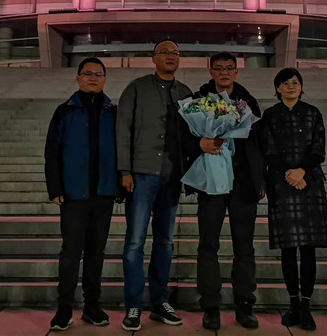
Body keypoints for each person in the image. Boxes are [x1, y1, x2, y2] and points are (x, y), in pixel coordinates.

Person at [117, 39, 219, 332]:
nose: (171, 57)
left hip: (171, 177)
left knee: (164, 242)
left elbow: (192, 135)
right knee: (135, 242)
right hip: (140, 175)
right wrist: (124, 169)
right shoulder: (136, 88)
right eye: (165, 52)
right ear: (154, 58)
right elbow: (122, 129)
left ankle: (160, 302)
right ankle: (133, 305)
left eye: (175, 53)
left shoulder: (186, 94)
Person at [44, 57, 118, 332]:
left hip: (103, 193)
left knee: (96, 253)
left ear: (105, 79)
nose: (93, 78)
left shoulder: (113, 112)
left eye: (98, 74)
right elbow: (52, 152)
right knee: (71, 252)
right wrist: (55, 188)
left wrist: (120, 185)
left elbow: (122, 149)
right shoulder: (65, 111)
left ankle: (91, 306)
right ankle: (64, 308)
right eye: (88, 73)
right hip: (74, 194)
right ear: (77, 78)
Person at [191, 52, 263, 331]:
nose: (224, 72)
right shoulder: (199, 100)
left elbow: (258, 144)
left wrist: (260, 179)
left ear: (236, 72)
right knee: (208, 244)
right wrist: (199, 143)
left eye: (229, 68)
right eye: (219, 68)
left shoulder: (249, 101)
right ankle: (210, 306)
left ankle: (244, 304)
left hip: (243, 182)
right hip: (212, 180)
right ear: (210, 71)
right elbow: (186, 135)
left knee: (244, 245)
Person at [260, 68, 327, 332]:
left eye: (295, 82)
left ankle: (305, 306)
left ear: (301, 87)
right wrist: (289, 174)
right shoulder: (270, 115)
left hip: (309, 182)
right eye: (285, 83)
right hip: (281, 183)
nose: (291, 86)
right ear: (277, 88)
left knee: (308, 248)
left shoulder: (313, 113)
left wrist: (301, 170)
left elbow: (318, 148)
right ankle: (293, 304)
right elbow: (268, 150)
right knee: (288, 248)